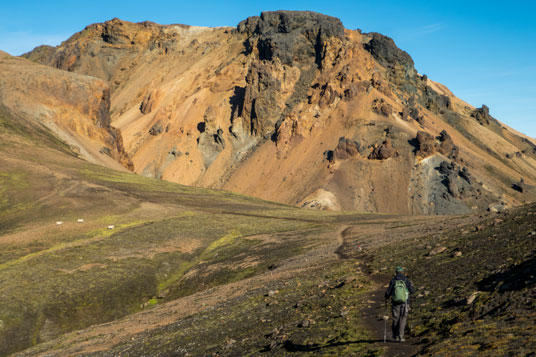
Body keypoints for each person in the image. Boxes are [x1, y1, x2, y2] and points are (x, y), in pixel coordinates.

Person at [384, 266, 416, 342]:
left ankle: (395, 335)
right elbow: (413, 291)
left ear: (396, 272)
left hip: (395, 303)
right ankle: (401, 336)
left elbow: (388, 292)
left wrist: (386, 297)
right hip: (405, 302)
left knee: (396, 318)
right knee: (403, 319)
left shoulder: (393, 280)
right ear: (402, 272)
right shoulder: (406, 280)